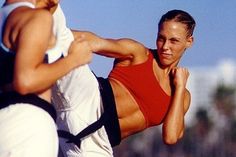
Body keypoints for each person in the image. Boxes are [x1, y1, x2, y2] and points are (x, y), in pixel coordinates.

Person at [52, 7, 195, 157]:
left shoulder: (182, 97)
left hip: (97, 143)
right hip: (87, 98)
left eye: (173, 41)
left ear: (189, 41)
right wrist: (59, 35)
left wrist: (179, 87)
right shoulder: (139, 53)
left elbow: (171, 137)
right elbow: (94, 42)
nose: (165, 46)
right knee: (57, 34)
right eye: (161, 38)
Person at [0, 0, 91, 156]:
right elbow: (25, 81)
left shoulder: (6, 17)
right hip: (29, 126)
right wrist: (75, 59)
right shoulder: (38, 18)